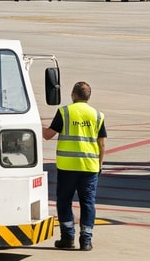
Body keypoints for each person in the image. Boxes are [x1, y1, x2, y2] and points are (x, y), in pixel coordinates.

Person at [44, 80, 107, 250]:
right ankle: (86, 240)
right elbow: (102, 144)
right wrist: (99, 165)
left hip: (68, 166)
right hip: (90, 167)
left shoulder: (65, 112)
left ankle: (68, 238)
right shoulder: (97, 115)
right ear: (89, 97)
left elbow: (48, 135)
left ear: (73, 95)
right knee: (88, 203)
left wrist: (34, 125)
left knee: (64, 201)